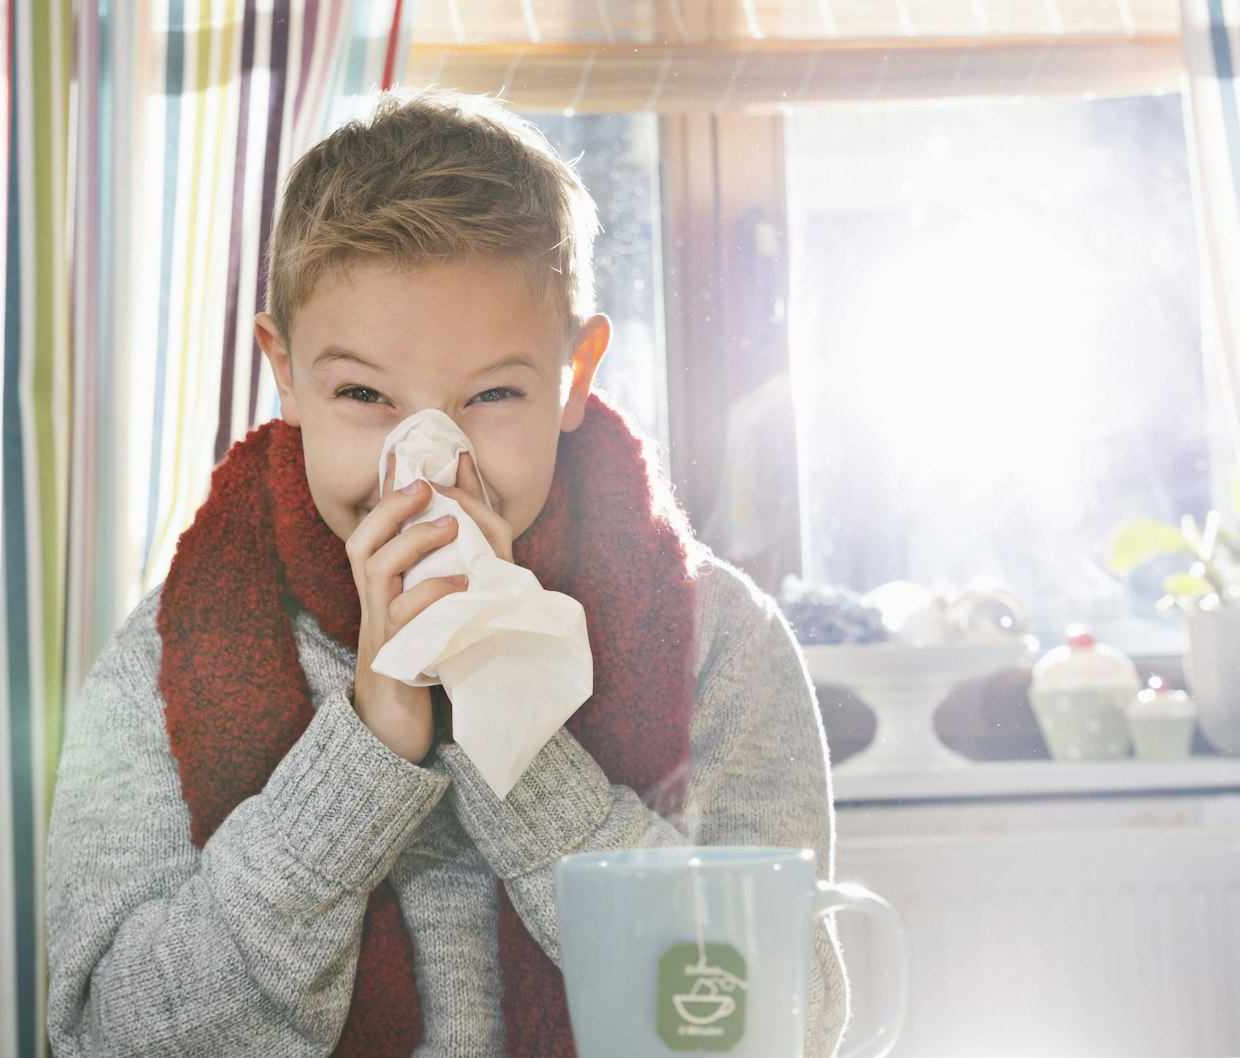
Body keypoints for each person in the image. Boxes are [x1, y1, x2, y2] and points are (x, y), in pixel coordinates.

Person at [44, 88, 847, 1057]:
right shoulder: (167, 658)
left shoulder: (720, 642)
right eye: (364, 394)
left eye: (493, 393)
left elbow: (786, 1024)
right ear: (285, 370)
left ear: (574, 371)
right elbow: (102, 1035)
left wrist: (512, 725)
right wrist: (363, 753)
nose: (429, 462)